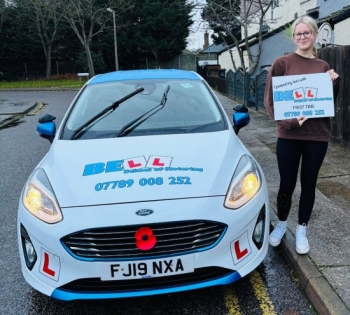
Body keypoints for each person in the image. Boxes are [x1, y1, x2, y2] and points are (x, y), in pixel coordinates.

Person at [264, 15, 340, 254]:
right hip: (288, 136)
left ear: (315, 35)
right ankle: (282, 224)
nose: (303, 37)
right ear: (293, 37)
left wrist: (334, 83)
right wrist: (289, 123)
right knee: (286, 184)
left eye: (307, 33)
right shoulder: (281, 63)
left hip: (317, 135)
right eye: (299, 33)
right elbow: (270, 101)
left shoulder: (323, 67)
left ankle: (302, 229)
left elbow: (326, 102)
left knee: (309, 184)